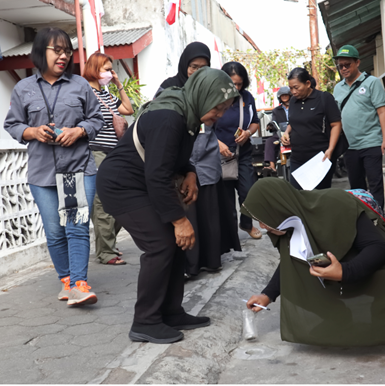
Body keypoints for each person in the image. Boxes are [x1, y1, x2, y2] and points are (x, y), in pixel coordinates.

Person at [96, 67, 239, 344]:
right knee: (161, 244)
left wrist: (190, 172)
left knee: (175, 245)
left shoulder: (186, 114)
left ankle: (171, 312)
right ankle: (145, 321)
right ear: (203, 96)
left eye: (224, 109)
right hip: (122, 186)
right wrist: (179, 220)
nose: (219, 115)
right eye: (218, 108)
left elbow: (172, 156)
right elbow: (158, 174)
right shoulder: (169, 117)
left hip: (144, 183)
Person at [243, 179, 385, 347]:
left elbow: (378, 248)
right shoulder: (285, 225)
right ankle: (339, 315)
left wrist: (344, 272)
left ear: (276, 208)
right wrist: (267, 295)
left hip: (366, 260)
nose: (262, 227)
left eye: (263, 220)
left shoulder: (334, 204)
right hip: (338, 266)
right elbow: (290, 262)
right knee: (298, 279)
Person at [4, 27, 105, 306]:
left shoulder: (80, 85)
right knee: (55, 231)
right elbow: (12, 125)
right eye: (56, 50)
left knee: (76, 226)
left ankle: (79, 284)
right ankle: (66, 281)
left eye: (67, 51)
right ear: (41, 52)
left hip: (76, 168)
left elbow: (97, 119)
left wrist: (79, 131)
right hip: (42, 173)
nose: (63, 56)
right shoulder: (23, 88)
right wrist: (33, 132)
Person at [156, 42, 241, 277]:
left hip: (207, 158)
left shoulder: (211, 87)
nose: (197, 71)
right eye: (193, 66)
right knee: (187, 212)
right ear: (185, 65)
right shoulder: (171, 90)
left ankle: (211, 259)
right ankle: (189, 265)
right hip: (183, 161)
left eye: (203, 67)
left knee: (209, 213)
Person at [83, 52, 134, 265]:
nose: (109, 73)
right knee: (102, 202)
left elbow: (129, 110)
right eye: (106, 69)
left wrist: (118, 84)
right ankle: (105, 252)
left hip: (115, 152)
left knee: (119, 198)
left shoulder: (106, 95)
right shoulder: (85, 93)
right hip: (96, 151)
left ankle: (107, 244)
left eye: (111, 69)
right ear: (94, 69)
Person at [332, 45, 385, 210]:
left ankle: (379, 220)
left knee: (375, 185)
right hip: (350, 146)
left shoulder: (372, 82)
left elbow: (382, 112)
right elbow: (336, 118)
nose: (344, 68)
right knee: (357, 189)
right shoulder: (338, 88)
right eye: (340, 66)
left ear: (357, 62)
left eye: (347, 64)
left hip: (371, 142)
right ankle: (362, 221)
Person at [213, 61, 262, 240]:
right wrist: (217, 143)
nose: (236, 87)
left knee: (249, 191)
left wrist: (248, 132)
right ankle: (230, 233)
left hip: (243, 153)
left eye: (239, 83)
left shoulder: (247, 97)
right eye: (232, 83)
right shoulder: (213, 97)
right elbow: (203, 125)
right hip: (220, 155)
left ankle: (247, 223)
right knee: (225, 198)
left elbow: (255, 121)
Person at [280, 68, 342, 190]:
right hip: (297, 158)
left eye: (296, 87)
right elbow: (293, 122)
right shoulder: (293, 101)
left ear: (308, 84)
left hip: (320, 159)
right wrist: (286, 132)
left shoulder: (324, 98)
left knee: (317, 198)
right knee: (297, 197)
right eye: (291, 88)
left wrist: (330, 149)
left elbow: (336, 124)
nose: (293, 92)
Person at [263, 86, 291, 173]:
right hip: (280, 134)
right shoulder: (276, 110)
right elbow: (273, 121)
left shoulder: (295, 107)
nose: (285, 97)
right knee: (269, 141)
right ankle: (272, 165)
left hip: (294, 133)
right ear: (279, 98)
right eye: (282, 96)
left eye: (286, 95)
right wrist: (270, 126)